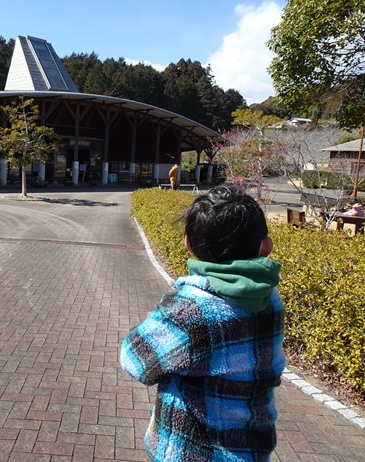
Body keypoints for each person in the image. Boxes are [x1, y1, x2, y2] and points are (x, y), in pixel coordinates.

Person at [120, 184, 285, 462]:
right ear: (266, 246)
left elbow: (135, 361)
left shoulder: (190, 309)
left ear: (188, 243)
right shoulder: (270, 300)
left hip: (192, 451)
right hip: (251, 449)